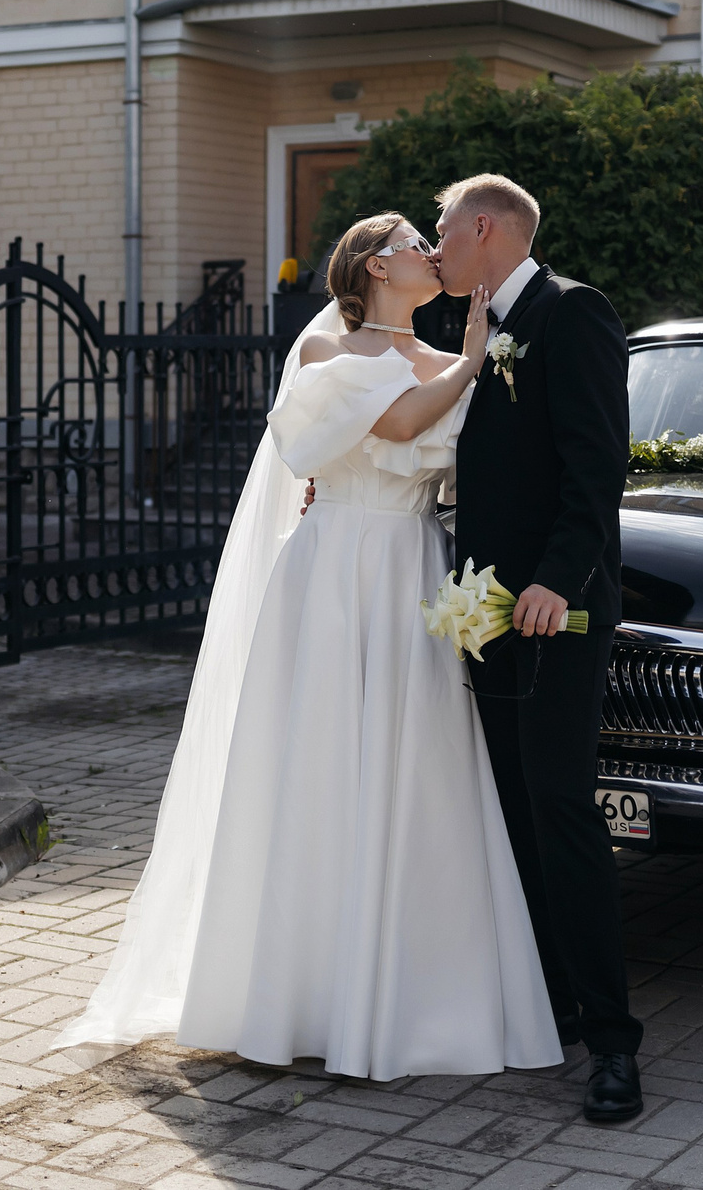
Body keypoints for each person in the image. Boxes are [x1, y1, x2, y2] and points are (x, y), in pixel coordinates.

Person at [56, 211, 560, 1080]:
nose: (429, 254)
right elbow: (398, 427)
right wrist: (475, 360)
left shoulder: (448, 365)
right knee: (319, 768)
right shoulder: (330, 354)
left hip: (409, 571)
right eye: (412, 244)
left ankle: (404, 997)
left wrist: (472, 367)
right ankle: (295, 994)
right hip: (331, 573)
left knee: (413, 768)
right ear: (371, 266)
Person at [433, 172, 645, 1123]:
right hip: (484, 611)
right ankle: (548, 998)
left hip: (557, 613)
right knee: (512, 809)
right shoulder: (472, 330)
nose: (436, 247)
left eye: (442, 230)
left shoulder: (573, 314)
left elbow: (598, 463)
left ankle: (614, 1042)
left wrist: (559, 577)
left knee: (562, 809)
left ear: (485, 227)